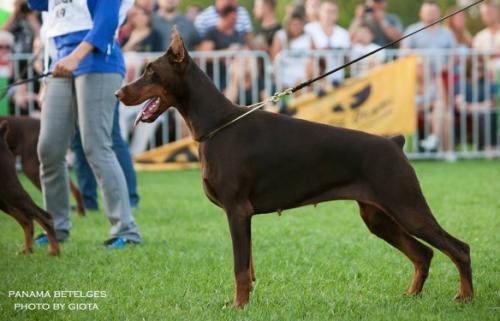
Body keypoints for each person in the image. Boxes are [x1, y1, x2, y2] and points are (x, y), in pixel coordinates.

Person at [28, 0, 142, 248]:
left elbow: (107, 20)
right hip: (59, 64)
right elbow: (36, 4)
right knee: (49, 149)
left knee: (96, 147)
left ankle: (126, 230)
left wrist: (75, 57)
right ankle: (55, 227)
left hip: (99, 62)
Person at [305, 0, 350, 85]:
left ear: (337, 14)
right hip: (315, 80)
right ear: (320, 12)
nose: (329, 14)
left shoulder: (343, 33)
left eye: (332, 11)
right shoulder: (308, 29)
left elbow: (347, 59)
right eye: (326, 11)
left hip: (337, 80)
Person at [271, 8, 314, 89]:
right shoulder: (280, 36)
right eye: (294, 24)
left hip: (304, 78)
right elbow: (274, 60)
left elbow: (313, 58)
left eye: (299, 24)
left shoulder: (308, 37)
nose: (297, 27)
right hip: (285, 78)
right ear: (289, 24)